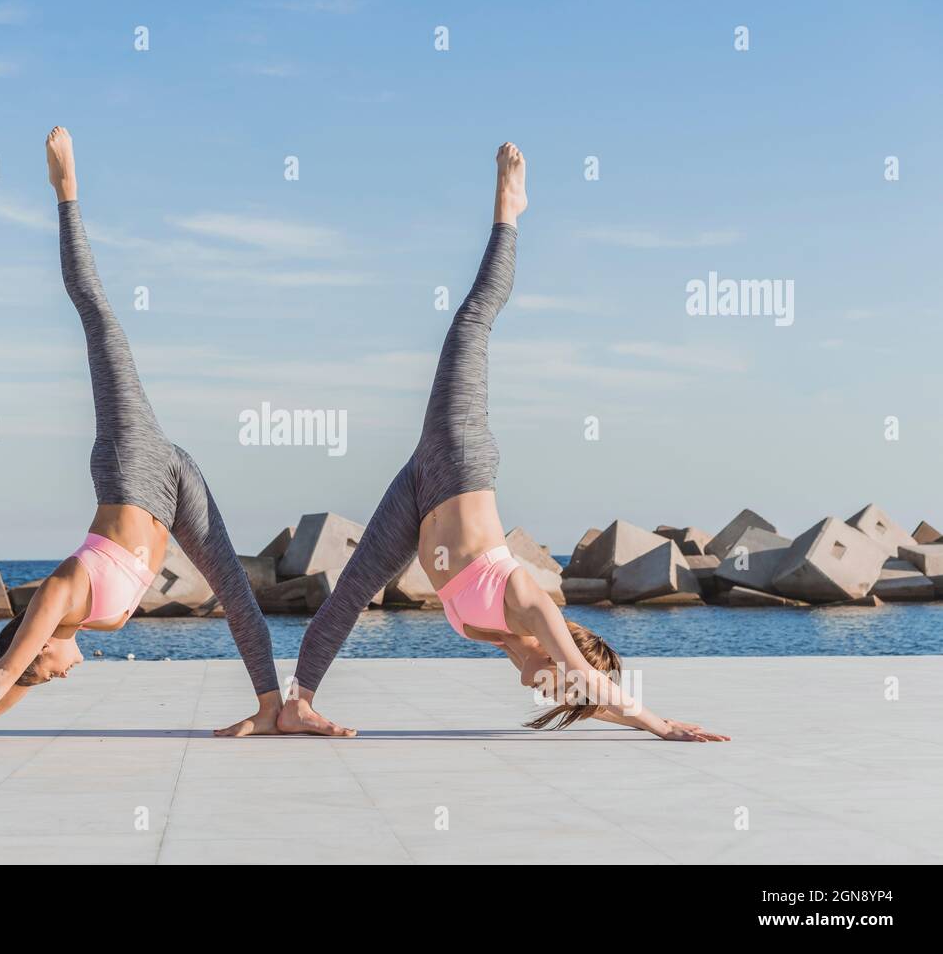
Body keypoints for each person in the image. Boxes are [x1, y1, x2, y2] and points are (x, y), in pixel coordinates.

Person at [279, 143, 729, 743]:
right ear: (558, 653)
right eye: (558, 683)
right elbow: (589, 681)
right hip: (459, 461)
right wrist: (658, 722)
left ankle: (296, 704)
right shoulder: (527, 601)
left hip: (419, 493)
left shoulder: (508, 642)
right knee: (470, 323)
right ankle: (508, 212)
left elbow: (589, 694)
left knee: (353, 588)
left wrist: (607, 708)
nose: (550, 691)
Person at [0, 127, 283, 749]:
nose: (51, 679)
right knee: (234, 588)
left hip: (132, 465)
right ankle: (273, 708)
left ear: (41, 644)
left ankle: (66, 191)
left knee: (100, 322)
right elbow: (13, 680)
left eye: (41, 673)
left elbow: (6, 671)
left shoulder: (60, 596)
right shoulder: (72, 627)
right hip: (173, 487)